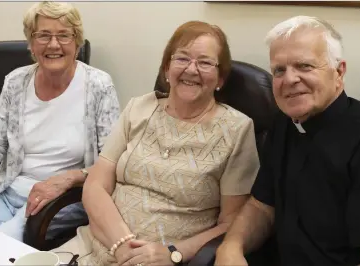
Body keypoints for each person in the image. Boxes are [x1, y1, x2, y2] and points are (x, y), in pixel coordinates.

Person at [215, 15, 360, 266]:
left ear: (339, 72)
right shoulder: (285, 122)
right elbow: (262, 207)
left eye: (304, 66)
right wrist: (232, 247)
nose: (289, 79)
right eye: (279, 70)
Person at [52, 20, 259, 265]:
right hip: (95, 245)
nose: (192, 69)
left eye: (205, 62)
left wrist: (174, 251)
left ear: (220, 78)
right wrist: (122, 244)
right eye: (182, 58)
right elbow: (96, 184)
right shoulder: (138, 108)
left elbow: (231, 224)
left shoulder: (237, 130)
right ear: (166, 69)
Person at [0, 1, 120, 242]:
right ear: (32, 44)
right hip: (5, 190)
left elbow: (110, 162)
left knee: (1, 244)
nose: (54, 44)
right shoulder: (16, 82)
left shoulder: (98, 86)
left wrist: (69, 178)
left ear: (77, 43)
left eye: (64, 35)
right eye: (43, 35)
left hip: (59, 198)